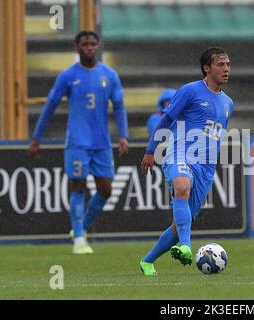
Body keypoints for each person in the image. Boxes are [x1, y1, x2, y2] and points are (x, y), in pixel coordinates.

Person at [29, 31, 129, 254]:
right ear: (77, 48)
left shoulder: (109, 75)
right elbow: (50, 107)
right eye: (85, 44)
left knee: (105, 190)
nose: (90, 48)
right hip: (77, 142)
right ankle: (80, 240)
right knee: (79, 187)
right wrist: (37, 138)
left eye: (93, 44)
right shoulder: (68, 76)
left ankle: (80, 228)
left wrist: (123, 136)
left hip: (102, 143)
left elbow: (119, 106)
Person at [139, 47, 233, 275]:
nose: (226, 69)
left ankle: (147, 261)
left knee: (181, 223)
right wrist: (151, 149)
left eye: (228, 65)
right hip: (179, 154)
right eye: (221, 65)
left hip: (206, 166)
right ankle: (186, 246)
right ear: (206, 68)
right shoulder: (189, 91)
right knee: (182, 187)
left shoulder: (229, 103)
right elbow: (167, 119)